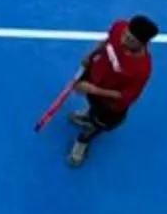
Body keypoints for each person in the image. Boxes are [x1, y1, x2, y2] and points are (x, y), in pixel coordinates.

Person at [64, 14, 159, 168]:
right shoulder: (119, 27)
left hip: (110, 105)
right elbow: (106, 42)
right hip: (95, 78)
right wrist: (90, 56)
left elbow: (126, 97)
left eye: (130, 40)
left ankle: (82, 142)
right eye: (125, 34)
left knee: (96, 126)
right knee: (91, 105)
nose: (123, 39)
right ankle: (89, 114)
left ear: (142, 44)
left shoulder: (142, 69)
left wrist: (94, 90)